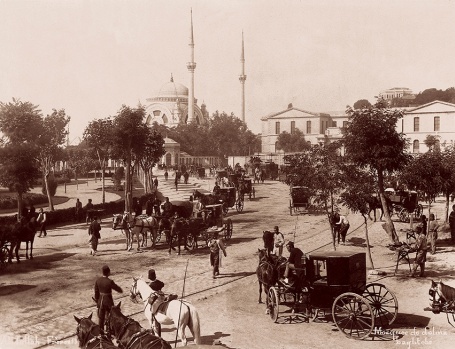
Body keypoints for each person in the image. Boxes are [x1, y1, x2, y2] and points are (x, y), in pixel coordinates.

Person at [94, 265, 123, 333]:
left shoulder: (98, 280)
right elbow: (118, 289)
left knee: (101, 318)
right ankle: (109, 331)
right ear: (108, 273)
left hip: (100, 301)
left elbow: (96, 292)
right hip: (108, 302)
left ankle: (101, 332)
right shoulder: (110, 281)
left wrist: (97, 299)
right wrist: (120, 290)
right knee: (110, 316)